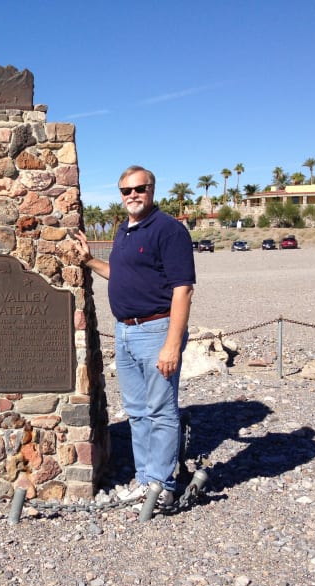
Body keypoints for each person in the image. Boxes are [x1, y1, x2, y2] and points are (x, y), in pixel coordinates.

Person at [73, 165, 196, 507]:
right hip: (125, 331)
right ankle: (145, 480)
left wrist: (172, 344)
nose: (133, 195)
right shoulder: (123, 231)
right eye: (126, 191)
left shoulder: (168, 231)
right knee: (138, 412)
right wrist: (89, 262)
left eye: (139, 189)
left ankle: (163, 485)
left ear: (152, 189)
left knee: (161, 410)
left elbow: (182, 290)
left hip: (156, 330)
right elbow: (120, 274)